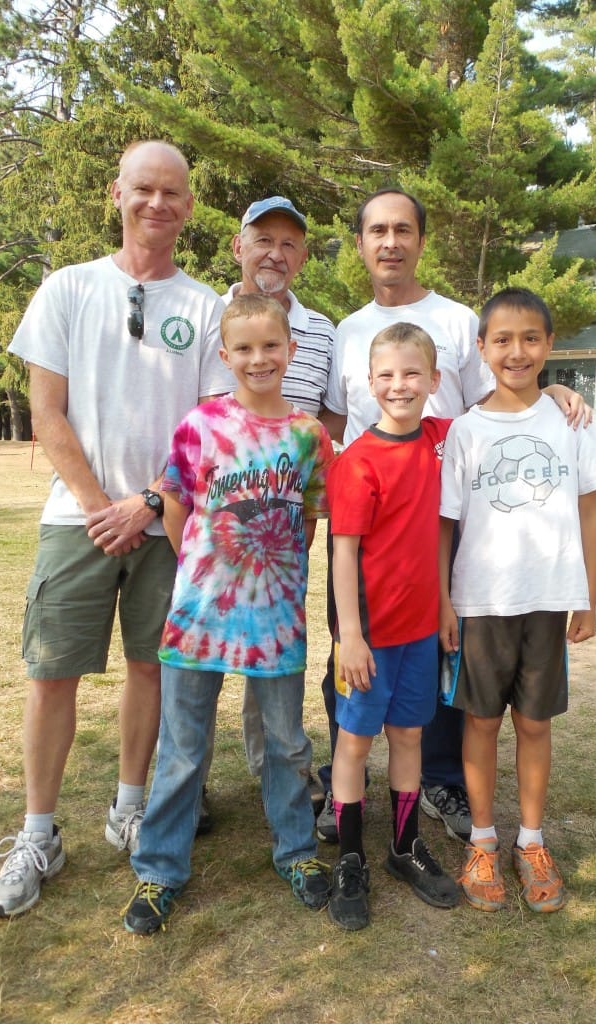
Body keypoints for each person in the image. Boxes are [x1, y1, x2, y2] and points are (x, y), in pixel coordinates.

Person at [0, 141, 234, 919]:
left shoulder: (208, 308)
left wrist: (151, 504)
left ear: (189, 205)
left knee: (149, 668)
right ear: (116, 193)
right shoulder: (67, 288)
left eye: (173, 193)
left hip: (166, 525)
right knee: (51, 671)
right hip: (77, 520)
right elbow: (46, 412)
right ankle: (37, 835)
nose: (158, 204)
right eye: (144, 190)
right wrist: (103, 506)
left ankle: (130, 807)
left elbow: (210, 429)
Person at [318, 187, 590, 847]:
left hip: (433, 518)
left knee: (435, 658)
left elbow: (491, 405)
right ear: (359, 243)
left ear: (419, 239)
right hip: (361, 523)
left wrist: (551, 391)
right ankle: (341, 786)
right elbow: (333, 420)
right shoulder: (344, 331)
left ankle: (437, 781)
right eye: (376, 230)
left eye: (402, 229)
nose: (389, 242)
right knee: (350, 657)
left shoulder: (455, 319)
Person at [122, 294, 335, 935]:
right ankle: (159, 870)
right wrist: (202, 568)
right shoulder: (201, 424)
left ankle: (296, 853)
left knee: (285, 742)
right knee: (184, 748)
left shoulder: (308, 435)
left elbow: (311, 515)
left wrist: (282, 577)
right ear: (224, 355)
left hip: (274, 616)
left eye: (271, 345)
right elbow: (177, 500)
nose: (259, 358)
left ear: (291, 350)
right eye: (244, 348)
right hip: (199, 615)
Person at [439, 287, 596, 913]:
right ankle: (483, 842)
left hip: (546, 600)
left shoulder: (570, 422)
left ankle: (532, 840)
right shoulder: (464, 430)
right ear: (481, 348)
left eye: (531, 338)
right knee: (482, 721)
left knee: (534, 723)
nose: (517, 351)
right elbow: (445, 523)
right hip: (483, 602)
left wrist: (587, 599)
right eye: (503, 339)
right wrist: (444, 603)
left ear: (549, 346)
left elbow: (590, 511)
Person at [326, 322, 460, 931]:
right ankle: (351, 856)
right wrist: (348, 637)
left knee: (408, 738)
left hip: (419, 634)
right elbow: (343, 554)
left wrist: (559, 393)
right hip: (370, 639)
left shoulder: (441, 438)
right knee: (354, 744)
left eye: (413, 374)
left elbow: (507, 411)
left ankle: (403, 846)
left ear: (435, 381)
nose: (400, 385)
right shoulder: (356, 463)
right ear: (368, 383)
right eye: (387, 375)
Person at [201, 196, 334, 802]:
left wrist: (308, 514)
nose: (274, 254)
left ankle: (277, 775)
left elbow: (329, 421)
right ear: (238, 246)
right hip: (210, 535)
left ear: (302, 257)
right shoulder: (207, 315)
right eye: (262, 239)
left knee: (271, 658)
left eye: (288, 243)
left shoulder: (322, 332)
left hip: (283, 531)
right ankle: (188, 783)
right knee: (197, 663)